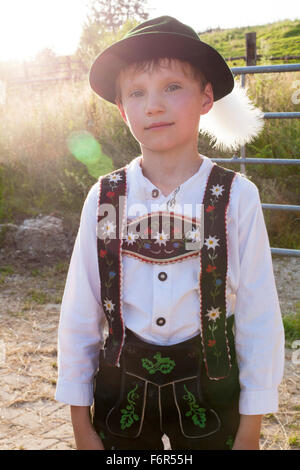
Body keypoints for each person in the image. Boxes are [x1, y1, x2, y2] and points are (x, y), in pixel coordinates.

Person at [55, 16, 285, 450]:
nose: (153, 106)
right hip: (120, 397)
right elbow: (80, 314)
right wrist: (80, 426)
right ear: (122, 110)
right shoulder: (106, 199)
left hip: (213, 396)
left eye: (172, 87)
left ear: (205, 97)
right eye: (137, 93)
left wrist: (250, 428)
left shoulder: (236, 197)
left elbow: (258, 316)